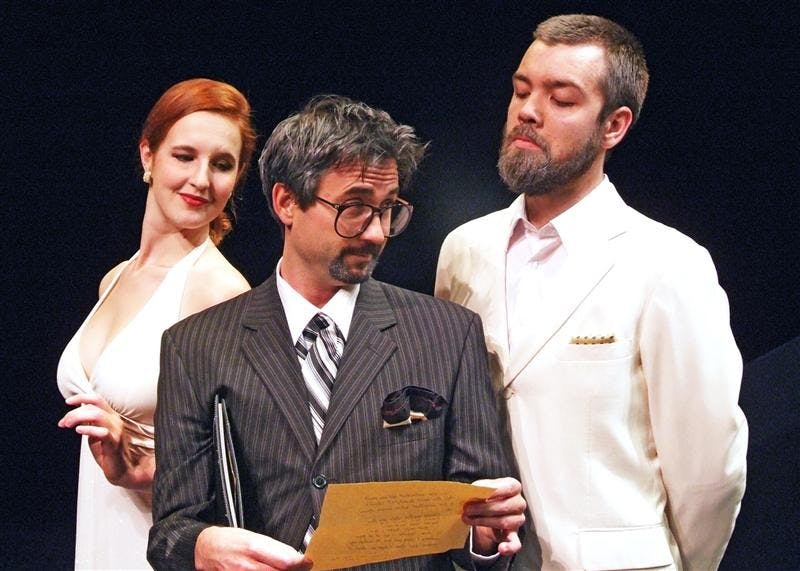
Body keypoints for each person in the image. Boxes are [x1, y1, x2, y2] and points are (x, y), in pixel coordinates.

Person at [147, 94, 526, 570]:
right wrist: (204, 547)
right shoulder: (194, 346)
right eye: (355, 207)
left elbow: (480, 517)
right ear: (286, 202)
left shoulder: (448, 334)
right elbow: (169, 531)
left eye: (388, 208)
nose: (376, 232)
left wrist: (486, 536)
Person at [436, 14, 748, 570]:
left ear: (614, 126)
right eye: (521, 90)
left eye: (561, 99)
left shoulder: (668, 263)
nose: (528, 111)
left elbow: (709, 474)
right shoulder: (464, 249)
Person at [57, 78, 256, 569]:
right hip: (102, 527)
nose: (201, 179)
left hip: (162, 544)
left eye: (222, 164)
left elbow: (241, 458)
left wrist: (138, 465)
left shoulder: (220, 290)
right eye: (184, 156)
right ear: (148, 155)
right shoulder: (116, 278)